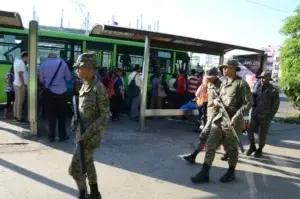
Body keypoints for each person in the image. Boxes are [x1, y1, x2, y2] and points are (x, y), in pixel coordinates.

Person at [191, 59, 253, 184]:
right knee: (211, 144)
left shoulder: (241, 84)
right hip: (219, 119)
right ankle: (205, 172)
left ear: (234, 69)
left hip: (233, 122)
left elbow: (249, 103)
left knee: (231, 148)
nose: (224, 69)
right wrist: (215, 101)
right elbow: (218, 99)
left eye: (227, 67)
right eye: (223, 67)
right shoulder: (224, 83)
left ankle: (231, 172)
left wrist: (236, 116)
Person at [69, 52, 110, 199]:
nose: (77, 71)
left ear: (89, 68)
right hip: (83, 134)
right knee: (88, 162)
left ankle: (83, 194)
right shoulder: (85, 85)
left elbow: (105, 116)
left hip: (91, 136)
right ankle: (94, 193)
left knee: (74, 169)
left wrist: (86, 135)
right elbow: (80, 110)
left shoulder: (99, 88)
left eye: (79, 68)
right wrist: (74, 119)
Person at [183, 67, 222, 164]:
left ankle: (227, 159)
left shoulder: (222, 86)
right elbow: (208, 101)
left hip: (219, 118)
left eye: (209, 77)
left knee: (218, 141)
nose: (207, 78)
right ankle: (194, 156)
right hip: (209, 115)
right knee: (204, 136)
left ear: (215, 76)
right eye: (206, 76)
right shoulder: (208, 85)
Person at [39, 53, 71, 142]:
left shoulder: (43, 65)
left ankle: (51, 136)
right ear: (56, 57)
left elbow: (41, 80)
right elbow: (68, 77)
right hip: (62, 92)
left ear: (48, 57)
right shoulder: (63, 63)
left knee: (51, 115)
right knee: (62, 115)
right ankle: (62, 136)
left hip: (49, 93)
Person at [247, 71, 280, 158]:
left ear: (269, 79)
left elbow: (276, 105)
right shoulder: (256, 86)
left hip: (266, 116)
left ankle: (260, 149)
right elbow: (252, 98)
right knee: (249, 129)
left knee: (262, 134)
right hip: (255, 113)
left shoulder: (273, 90)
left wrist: (270, 117)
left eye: (265, 78)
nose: (263, 79)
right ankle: (252, 146)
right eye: (262, 78)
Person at [13, 51, 28, 122]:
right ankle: (19, 117)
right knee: (20, 101)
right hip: (20, 84)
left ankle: (15, 115)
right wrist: (23, 84)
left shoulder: (16, 61)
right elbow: (20, 74)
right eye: (28, 58)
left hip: (16, 83)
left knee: (16, 100)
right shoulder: (21, 63)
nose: (28, 60)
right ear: (25, 57)